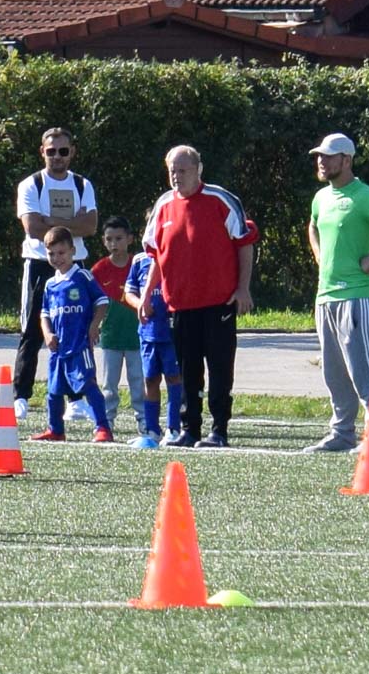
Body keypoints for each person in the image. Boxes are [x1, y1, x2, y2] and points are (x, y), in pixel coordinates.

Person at [140, 145, 258, 448]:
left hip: (219, 302)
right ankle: (189, 429)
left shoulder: (221, 199)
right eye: (172, 171)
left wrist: (243, 288)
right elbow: (156, 255)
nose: (176, 176)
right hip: (180, 304)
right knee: (187, 370)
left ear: (198, 170)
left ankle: (219, 430)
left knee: (220, 368)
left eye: (183, 170)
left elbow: (245, 243)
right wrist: (146, 295)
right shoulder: (163, 205)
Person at [305, 133, 369, 453]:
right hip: (326, 296)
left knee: (364, 369)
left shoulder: (363, 195)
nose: (321, 161)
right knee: (334, 371)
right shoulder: (321, 197)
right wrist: (319, 255)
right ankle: (342, 433)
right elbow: (313, 225)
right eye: (319, 156)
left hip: (357, 296)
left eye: (328, 156)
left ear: (346, 160)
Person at [13, 127, 98, 420]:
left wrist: (51, 221)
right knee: (32, 331)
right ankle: (21, 396)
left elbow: (90, 226)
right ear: (42, 152)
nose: (57, 156)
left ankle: (76, 398)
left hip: (76, 266)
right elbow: (33, 228)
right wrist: (70, 223)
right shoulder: (31, 185)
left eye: (63, 151)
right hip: (39, 264)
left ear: (72, 152)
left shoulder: (82, 184)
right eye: (51, 151)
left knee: (75, 331)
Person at [31, 226, 114, 443]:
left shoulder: (82, 276)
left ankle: (103, 428)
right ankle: (55, 430)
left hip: (79, 345)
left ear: (72, 251)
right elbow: (45, 313)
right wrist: (47, 333)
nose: (57, 258)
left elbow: (102, 302)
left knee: (88, 385)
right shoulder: (50, 284)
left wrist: (94, 325)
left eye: (61, 253)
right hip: (58, 349)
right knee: (53, 391)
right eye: (51, 254)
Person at [123, 233, 183, 449]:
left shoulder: (177, 254)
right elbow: (129, 292)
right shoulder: (139, 260)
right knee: (150, 380)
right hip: (148, 332)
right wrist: (141, 303)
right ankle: (151, 430)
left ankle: (173, 428)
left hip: (171, 331)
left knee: (174, 377)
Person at [90, 216, 146, 438]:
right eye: (109, 239)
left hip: (137, 336)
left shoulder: (138, 265)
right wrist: (93, 325)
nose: (114, 243)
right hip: (111, 337)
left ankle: (144, 422)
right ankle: (106, 423)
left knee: (138, 382)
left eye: (119, 238)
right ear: (104, 241)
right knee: (109, 385)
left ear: (130, 239)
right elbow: (91, 301)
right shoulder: (99, 270)